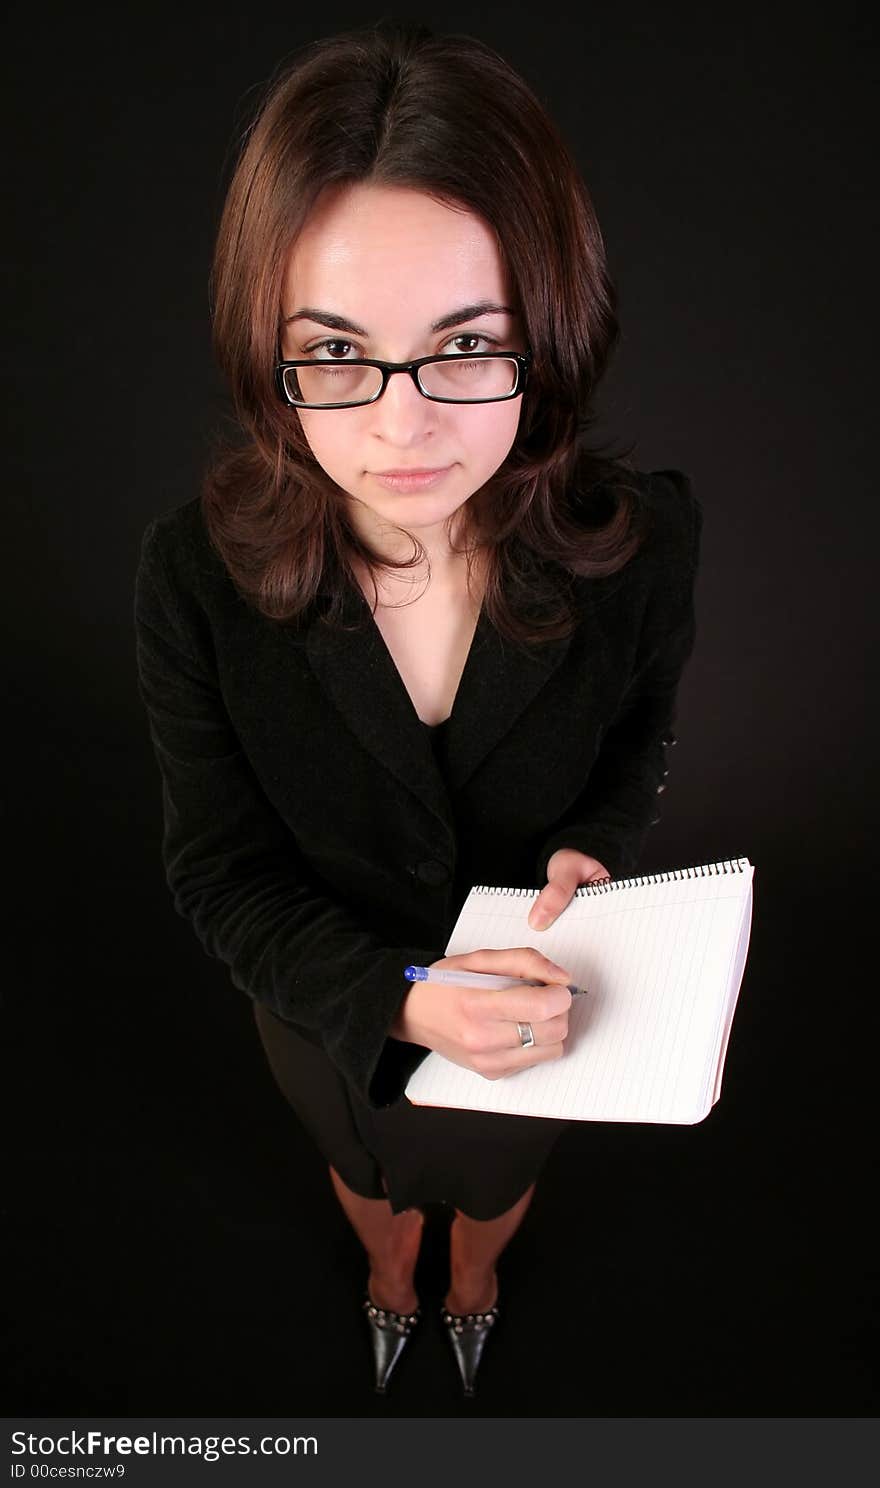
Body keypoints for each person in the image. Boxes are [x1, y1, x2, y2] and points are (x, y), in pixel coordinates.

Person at [134, 18, 702, 1399]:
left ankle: (471, 1279)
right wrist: (393, 1002)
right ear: (264, 345)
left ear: (548, 338)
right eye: (332, 350)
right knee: (367, 1175)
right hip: (328, 1012)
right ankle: (395, 1276)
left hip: (530, 1010)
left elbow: (636, 745)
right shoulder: (193, 579)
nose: (400, 428)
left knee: (495, 1184)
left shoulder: (648, 542)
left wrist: (600, 850)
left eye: (464, 348)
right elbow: (219, 871)